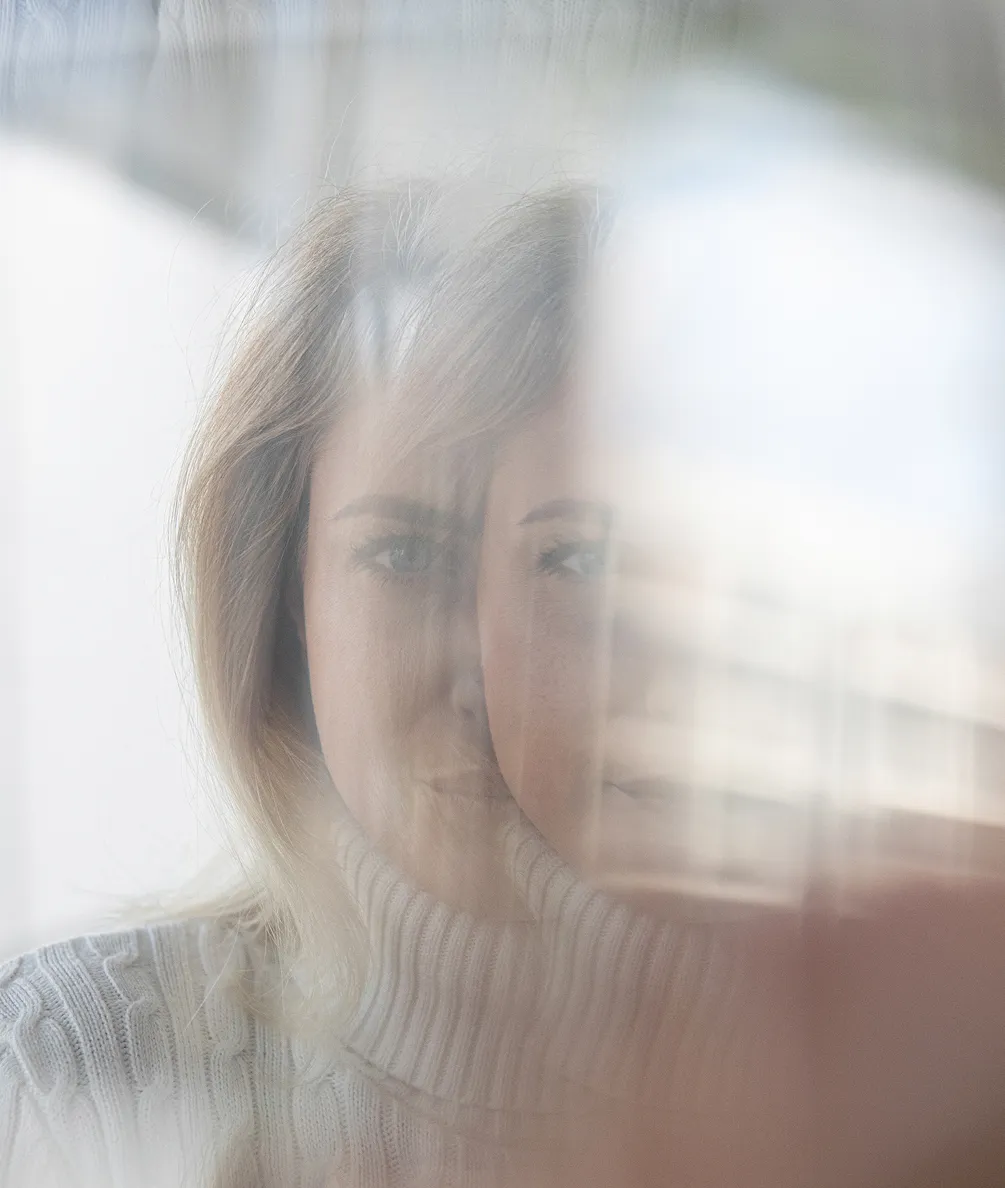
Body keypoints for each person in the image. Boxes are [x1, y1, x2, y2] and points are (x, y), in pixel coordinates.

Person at [3, 181, 1005, 1188]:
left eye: (577, 563)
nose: (484, 665)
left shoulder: (892, 1089)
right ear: (280, 605)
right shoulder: (80, 1068)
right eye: (405, 553)